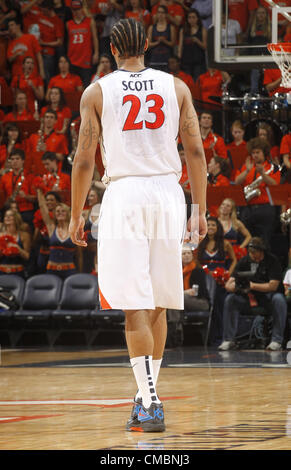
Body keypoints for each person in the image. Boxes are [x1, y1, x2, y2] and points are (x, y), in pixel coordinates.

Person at [68, 18, 207, 432]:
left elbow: (84, 159)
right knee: (159, 301)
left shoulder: (97, 91)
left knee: (135, 306)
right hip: (168, 194)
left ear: (111, 49)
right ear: (148, 45)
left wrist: (77, 213)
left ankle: (149, 402)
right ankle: (146, 397)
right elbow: (196, 151)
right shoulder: (177, 87)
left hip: (126, 195)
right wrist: (199, 209)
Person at [218, 237, 287, 351]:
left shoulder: (272, 261)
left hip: (268, 298)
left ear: (262, 251)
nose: (253, 255)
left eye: (255, 252)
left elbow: (273, 285)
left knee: (279, 299)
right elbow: (229, 283)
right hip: (248, 299)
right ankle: (228, 340)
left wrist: (252, 285)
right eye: (250, 252)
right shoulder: (244, 261)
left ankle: (276, 340)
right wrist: (234, 287)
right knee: (230, 299)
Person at [234, 137, 281, 247]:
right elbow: (237, 181)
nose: (255, 155)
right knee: (246, 240)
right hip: (247, 208)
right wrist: (247, 171)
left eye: (258, 152)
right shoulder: (246, 166)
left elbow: (275, 184)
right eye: (253, 152)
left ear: (264, 152)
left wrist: (263, 174)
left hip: (265, 208)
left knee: (265, 241)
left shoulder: (273, 167)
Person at [197, 216, 236, 345]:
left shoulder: (225, 243)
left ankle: (222, 337)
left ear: (218, 227)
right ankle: (210, 339)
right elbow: (197, 261)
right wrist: (206, 271)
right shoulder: (201, 242)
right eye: (208, 225)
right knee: (210, 308)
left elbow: (234, 260)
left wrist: (227, 273)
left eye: (213, 225)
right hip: (206, 279)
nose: (211, 227)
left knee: (220, 308)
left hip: (221, 281)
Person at [37, 187, 82, 278]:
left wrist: (80, 273)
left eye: (63, 211)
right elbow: (42, 207)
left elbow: (79, 255)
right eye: (57, 211)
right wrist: (39, 189)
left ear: (68, 213)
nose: (60, 213)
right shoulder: (52, 227)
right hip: (52, 269)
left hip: (69, 270)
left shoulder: (74, 230)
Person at [0, 148, 36, 230]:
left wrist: (25, 196)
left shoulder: (30, 176)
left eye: (17, 159)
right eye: (12, 159)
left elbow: (36, 198)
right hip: (9, 209)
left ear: (23, 160)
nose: (14, 161)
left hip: (25, 210)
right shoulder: (5, 177)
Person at [24, 109, 69, 175]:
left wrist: (47, 151)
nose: (49, 119)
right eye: (47, 117)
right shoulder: (33, 136)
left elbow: (62, 157)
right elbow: (28, 156)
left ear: (56, 121)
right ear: (43, 120)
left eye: (51, 117)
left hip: (52, 173)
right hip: (36, 172)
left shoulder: (60, 137)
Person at [66, 0, 99, 87]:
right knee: (74, 85)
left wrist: (96, 53)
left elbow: (95, 38)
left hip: (85, 58)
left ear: (82, 9)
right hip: (72, 58)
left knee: (86, 85)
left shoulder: (89, 21)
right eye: (74, 10)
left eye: (78, 9)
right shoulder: (68, 24)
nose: (76, 12)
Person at [0, 208, 31, 277]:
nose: (7, 217)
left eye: (10, 215)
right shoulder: (0, 235)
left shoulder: (24, 235)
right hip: (1, 272)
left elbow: (27, 257)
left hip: (18, 272)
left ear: (16, 218)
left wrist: (18, 249)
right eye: (6, 216)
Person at [177, 8, 207, 81]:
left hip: (199, 62)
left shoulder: (202, 30)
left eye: (193, 17)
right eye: (189, 17)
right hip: (186, 61)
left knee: (198, 82)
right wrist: (178, 59)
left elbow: (205, 47)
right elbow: (180, 46)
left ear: (197, 18)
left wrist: (197, 41)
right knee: (187, 82)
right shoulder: (183, 30)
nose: (191, 19)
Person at [147, 5, 176, 72]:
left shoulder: (171, 28)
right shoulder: (151, 28)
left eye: (162, 13)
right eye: (159, 12)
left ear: (166, 14)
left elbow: (173, 44)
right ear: (157, 14)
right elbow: (148, 45)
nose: (160, 15)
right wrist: (157, 42)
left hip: (167, 60)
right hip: (154, 59)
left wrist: (164, 41)